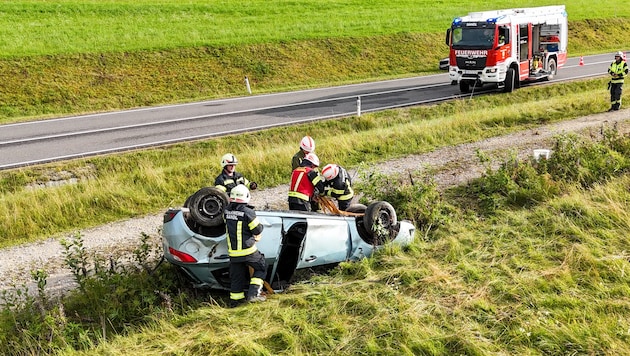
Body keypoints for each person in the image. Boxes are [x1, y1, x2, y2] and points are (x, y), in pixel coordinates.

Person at [224, 185, 267, 307]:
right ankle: (254, 295)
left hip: (233, 253)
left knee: (237, 276)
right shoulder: (248, 212)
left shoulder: (226, 211)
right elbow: (257, 230)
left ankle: (235, 302)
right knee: (261, 267)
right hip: (248, 251)